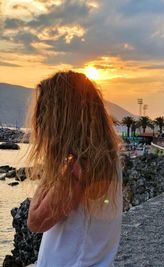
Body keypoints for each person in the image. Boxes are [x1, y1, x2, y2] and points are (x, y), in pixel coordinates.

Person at [26, 71, 123, 267]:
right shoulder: (106, 157)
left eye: (46, 112)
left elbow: (36, 221)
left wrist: (51, 165)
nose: (42, 122)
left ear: (61, 117)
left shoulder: (78, 168)